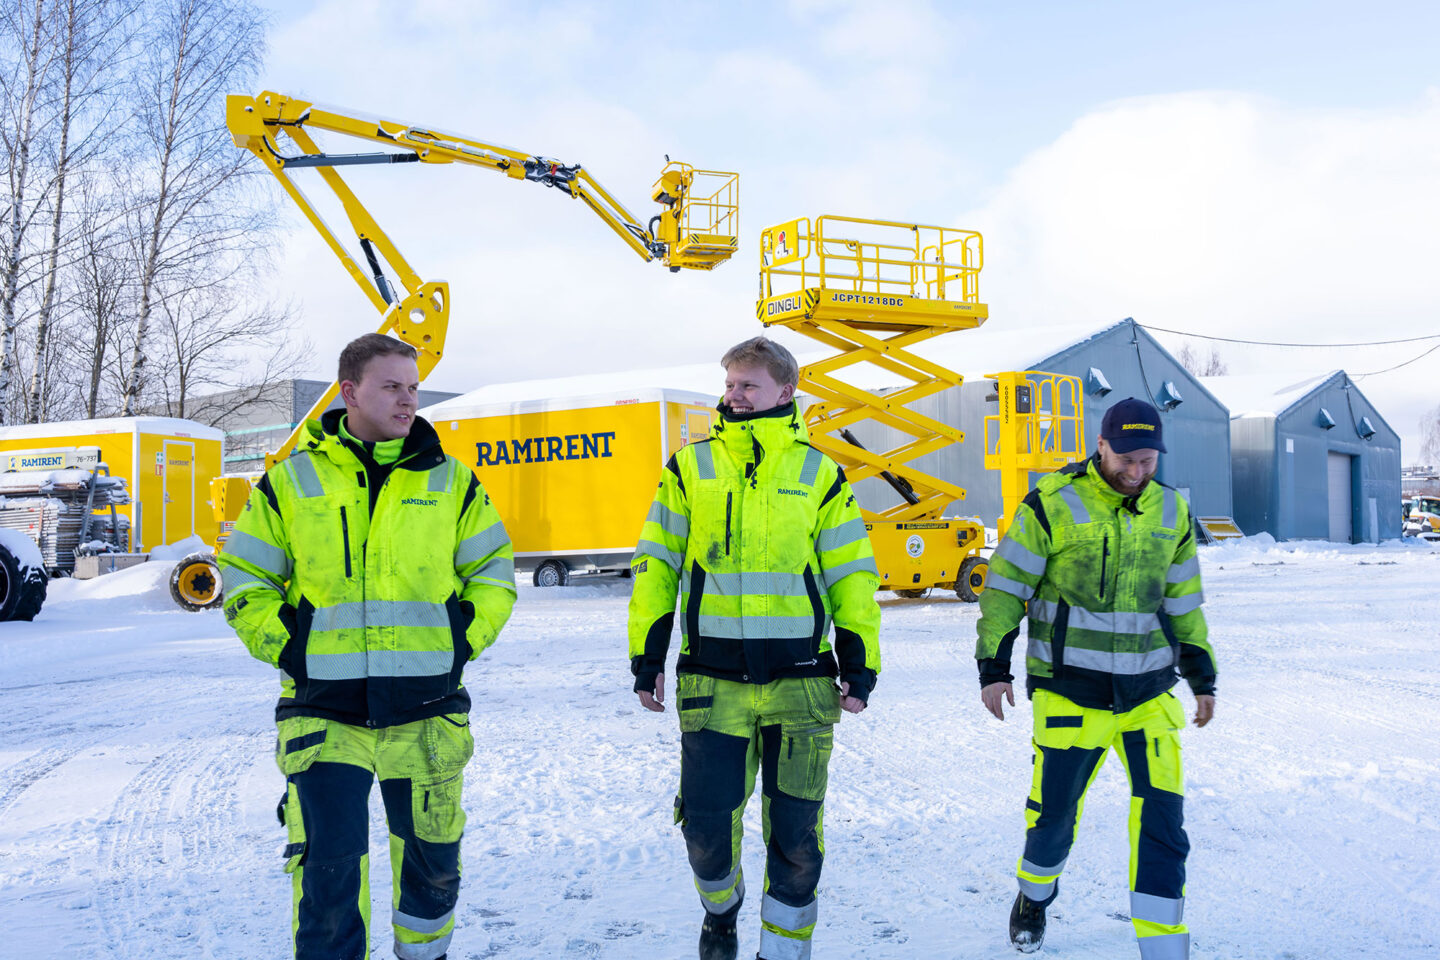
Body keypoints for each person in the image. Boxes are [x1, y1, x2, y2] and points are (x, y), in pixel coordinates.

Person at [218, 333, 516, 960]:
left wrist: (460, 642)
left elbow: (493, 575)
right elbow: (246, 580)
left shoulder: (453, 483)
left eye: (412, 387)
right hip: (323, 715)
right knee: (327, 875)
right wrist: (290, 648)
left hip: (427, 712)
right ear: (350, 392)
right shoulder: (290, 483)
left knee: (432, 874)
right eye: (393, 387)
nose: (409, 400)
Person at [628, 336, 881, 960]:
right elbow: (655, 565)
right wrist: (647, 656)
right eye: (730, 384)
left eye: (747, 385)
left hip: (801, 682)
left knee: (796, 835)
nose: (733, 396)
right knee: (707, 828)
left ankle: (784, 952)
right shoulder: (689, 467)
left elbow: (852, 574)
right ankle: (722, 911)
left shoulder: (820, 473)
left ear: (784, 392)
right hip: (712, 680)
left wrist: (859, 663)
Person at [974, 397, 1217, 959]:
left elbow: (1184, 601)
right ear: (1101, 445)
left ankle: (1164, 947)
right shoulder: (1051, 505)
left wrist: (1201, 675)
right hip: (1070, 692)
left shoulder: (1171, 511)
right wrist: (993, 667)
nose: (1136, 473)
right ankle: (1034, 895)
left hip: (1149, 693)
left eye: (1148, 461)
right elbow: (1006, 589)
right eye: (1126, 459)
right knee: (1053, 818)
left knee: (1164, 822)